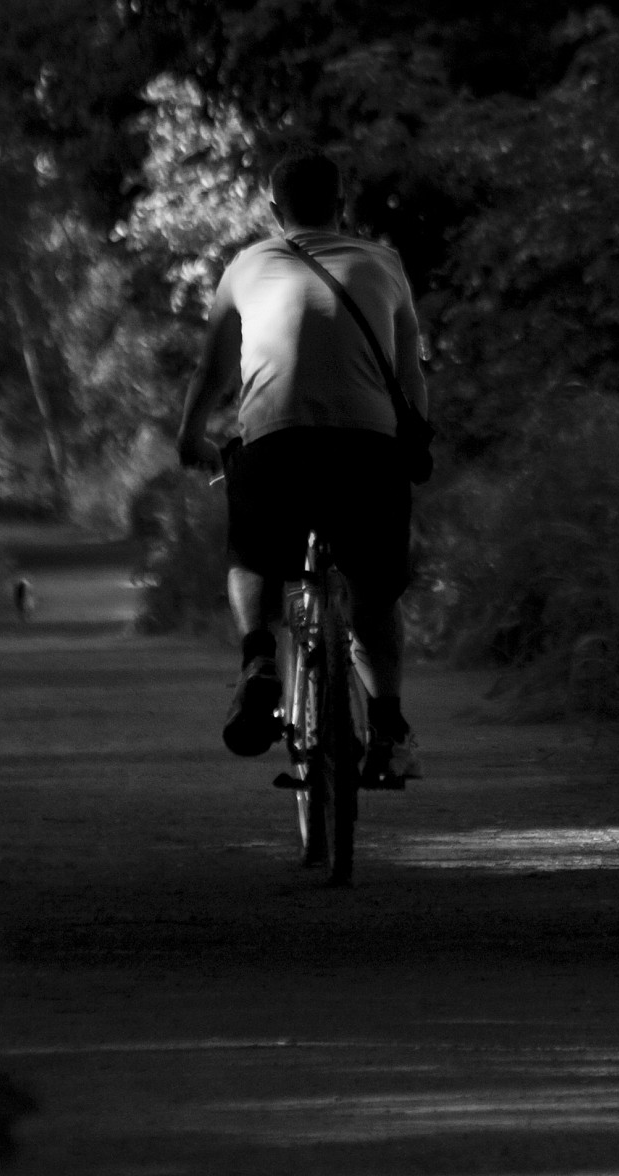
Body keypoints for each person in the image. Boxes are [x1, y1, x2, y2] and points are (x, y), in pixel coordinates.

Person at [175, 149, 426, 782]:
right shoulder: (384, 265)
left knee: (252, 555)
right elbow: (409, 374)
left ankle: (260, 656)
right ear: (342, 206)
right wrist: (414, 440)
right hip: (369, 448)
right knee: (375, 591)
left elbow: (212, 370)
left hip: (276, 445)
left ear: (272, 210)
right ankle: (389, 729)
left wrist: (190, 434)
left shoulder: (245, 266)